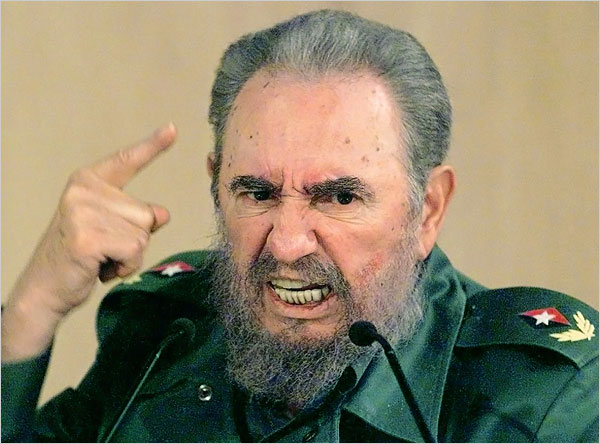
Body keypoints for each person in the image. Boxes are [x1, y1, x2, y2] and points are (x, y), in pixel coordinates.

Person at [2, 9, 597, 443]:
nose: (287, 243)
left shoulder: (545, 401)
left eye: (339, 197)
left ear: (428, 209)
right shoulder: (163, 339)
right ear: (216, 187)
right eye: (258, 193)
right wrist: (33, 308)